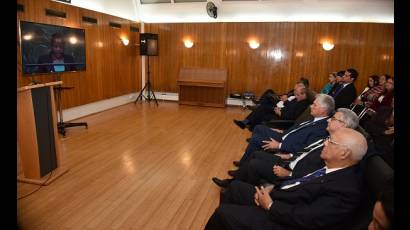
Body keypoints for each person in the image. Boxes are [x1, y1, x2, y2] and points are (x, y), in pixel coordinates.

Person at [205, 128, 368, 230]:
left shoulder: (346, 189)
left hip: (285, 220)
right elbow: (296, 181)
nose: (325, 143)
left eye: (331, 142)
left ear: (344, 153)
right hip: (280, 199)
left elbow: (309, 218)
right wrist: (272, 189)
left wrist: (270, 205)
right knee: (235, 188)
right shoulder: (325, 165)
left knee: (222, 214)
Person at [213, 108, 359, 187]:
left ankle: (237, 186)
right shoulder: (328, 137)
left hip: (290, 170)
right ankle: (235, 182)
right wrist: (286, 156)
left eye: (334, 119)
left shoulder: (334, 145)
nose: (330, 119)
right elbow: (305, 152)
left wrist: (288, 173)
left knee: (255, 161)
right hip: (290, 161)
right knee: (257, 154)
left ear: (343, 125)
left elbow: (315, 170)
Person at [235, 94, 334, 165]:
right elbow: (297, 128)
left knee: (256, 139)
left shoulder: (322, 128)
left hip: (285, 144)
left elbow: (304, 147)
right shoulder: (314, 118)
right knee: (258, 128)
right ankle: (247, 161)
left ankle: (244, 165)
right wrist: (283, 131)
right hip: (284, 136)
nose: (311, 106)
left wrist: (279, 146)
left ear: (323, 109)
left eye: (314, 105)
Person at [233, 86, 310, 130]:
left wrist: (280, 113)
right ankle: (246, 122)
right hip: (281, 111)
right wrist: (280, 109)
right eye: (295, 94)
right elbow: (289, 108)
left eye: (297, 95)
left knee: (263, 113)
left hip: (283, 118)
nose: (296, 96)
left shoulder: (303, 104)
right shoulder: (298, 100)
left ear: (304, 95)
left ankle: (250, 126)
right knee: (263, 107)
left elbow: (292, 117)